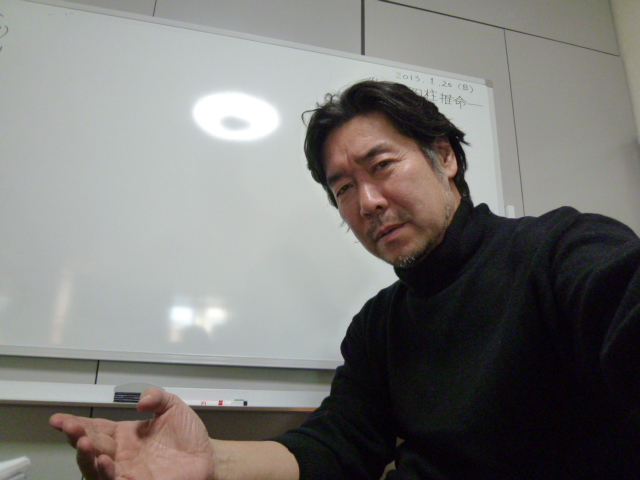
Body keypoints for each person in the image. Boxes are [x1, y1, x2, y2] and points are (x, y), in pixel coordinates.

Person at [50, 80, 640, 479]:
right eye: (343, 189)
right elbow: (338, 445)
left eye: (382, 166)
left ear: (445, 157)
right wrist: (210, 460)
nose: (368, 202)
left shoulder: (559, 250)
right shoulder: (380, 324)